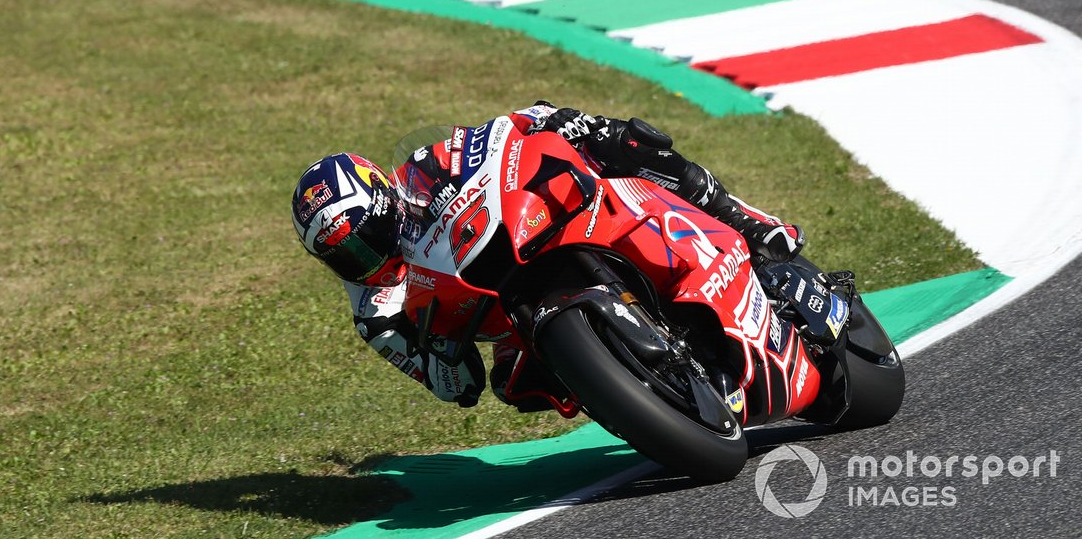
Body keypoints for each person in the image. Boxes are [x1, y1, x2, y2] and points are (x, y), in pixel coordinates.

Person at [290, 102, 805, 409]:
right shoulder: (371, 311)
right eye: (345, 256)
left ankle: (741, 218)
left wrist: (546, 121)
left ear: (385, 199)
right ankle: (643, 389)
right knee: (513, 384)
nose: (364, 256)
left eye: (366, 236)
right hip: (506, 318)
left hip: (523, 234)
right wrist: (441, 359)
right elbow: (456, 388)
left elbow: (491, 139)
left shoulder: (422, 172)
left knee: (620, 142)